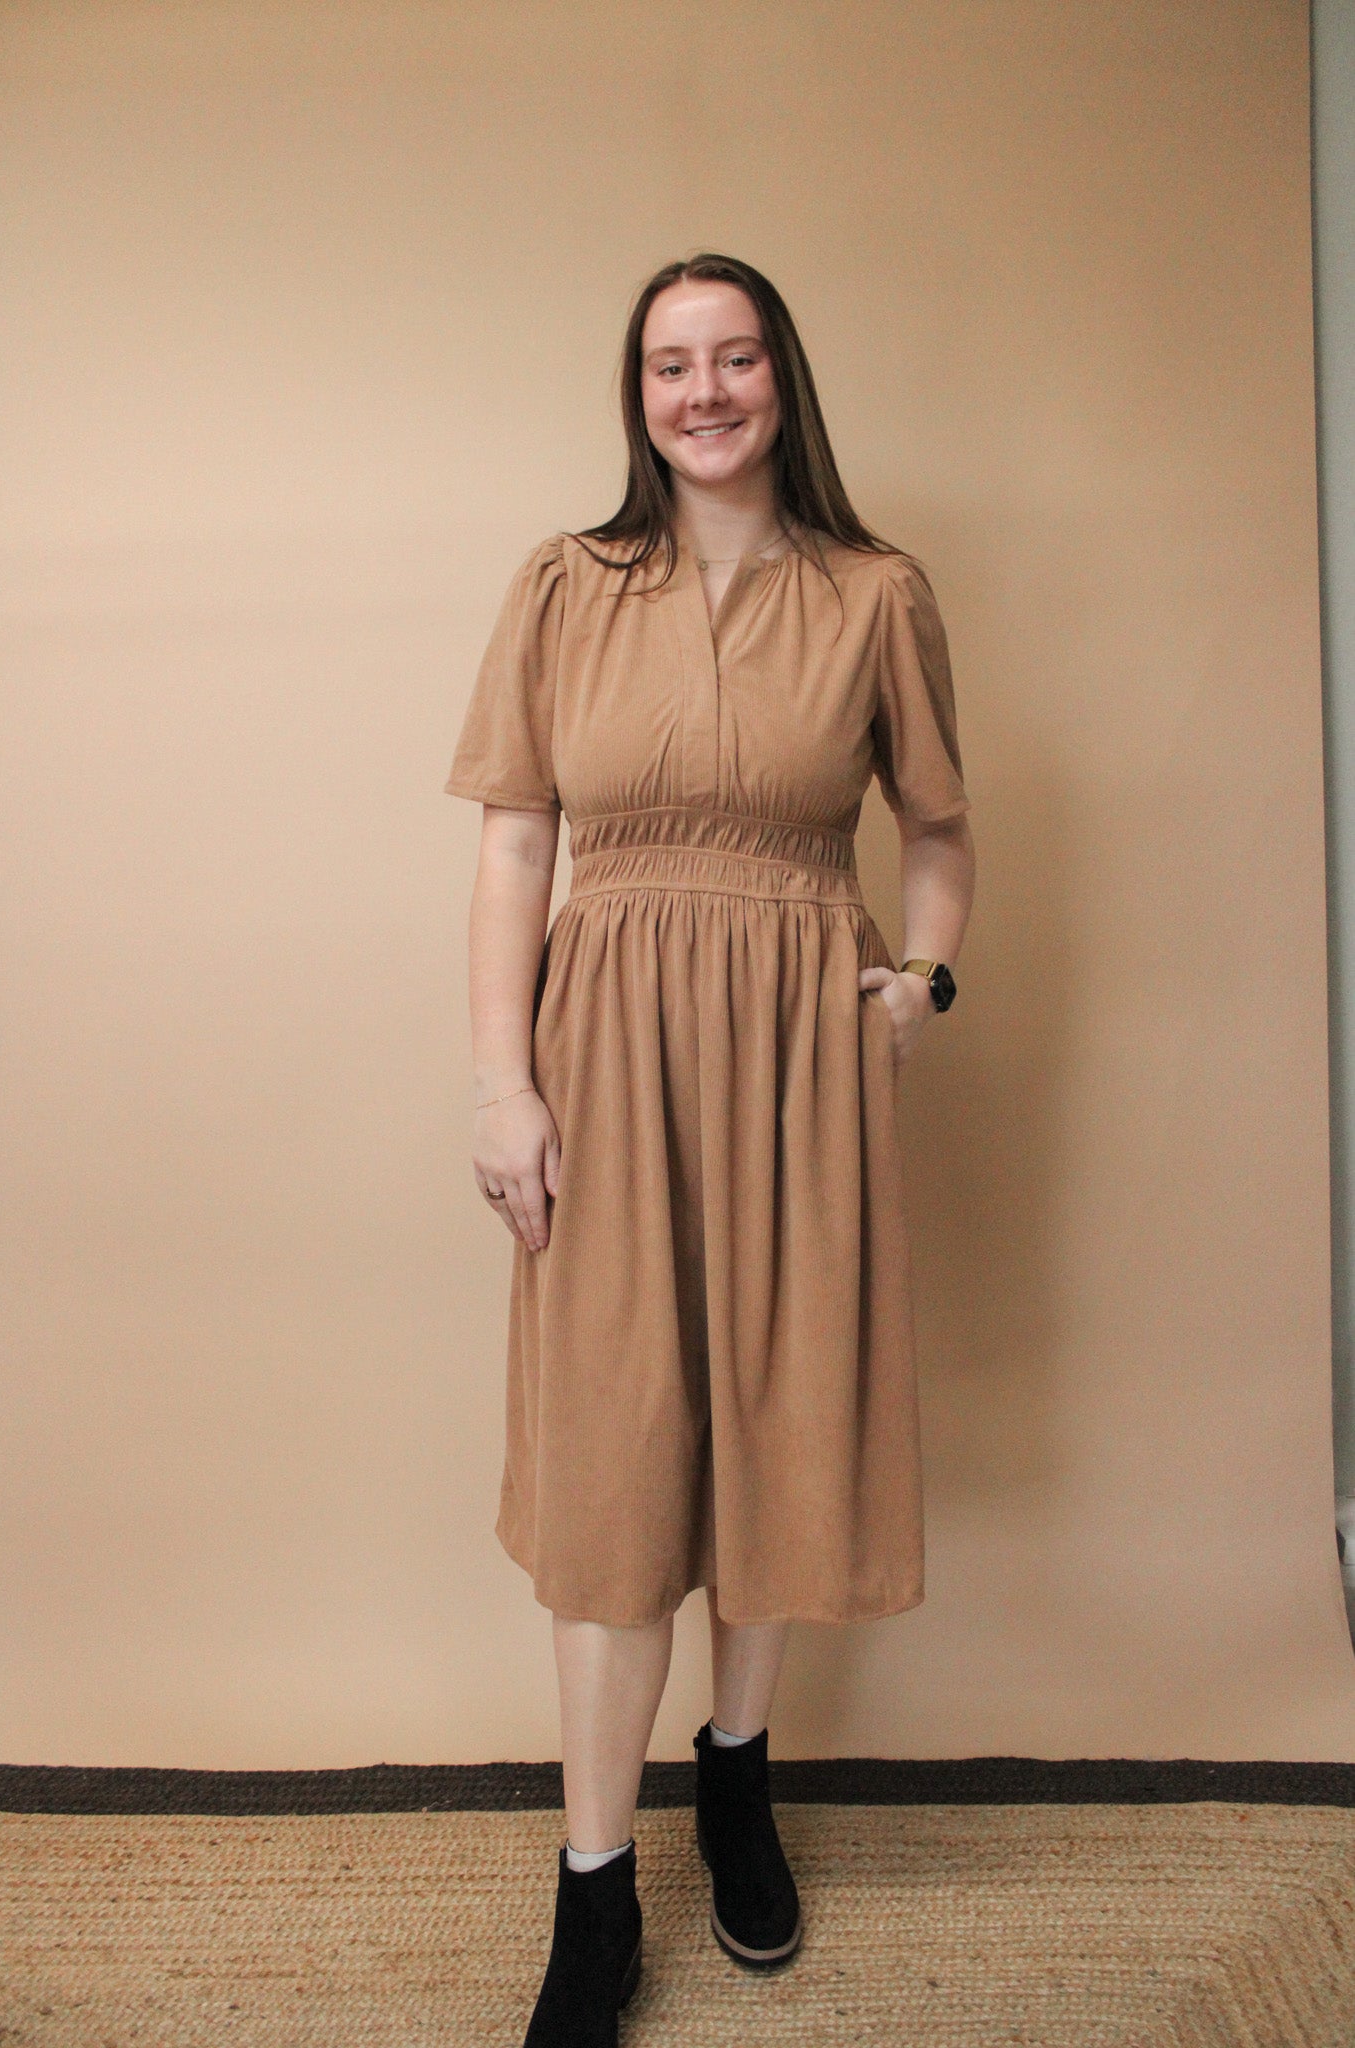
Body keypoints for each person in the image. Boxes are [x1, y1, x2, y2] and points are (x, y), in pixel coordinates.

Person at [444, 251, 976, 2045]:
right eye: (671, 364)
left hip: (798, 1061)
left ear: (780, 380)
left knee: (776, 1420)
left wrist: (920, 985)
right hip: (602, 1055)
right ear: (638, 395)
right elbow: (516, 849)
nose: (704, 392)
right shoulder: (562, 584)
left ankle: (735, 1775)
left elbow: (939, 832)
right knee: (613, 1465)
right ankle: (595, 1889)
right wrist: (502, 1085)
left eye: (734, 357)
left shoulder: (874, 592)